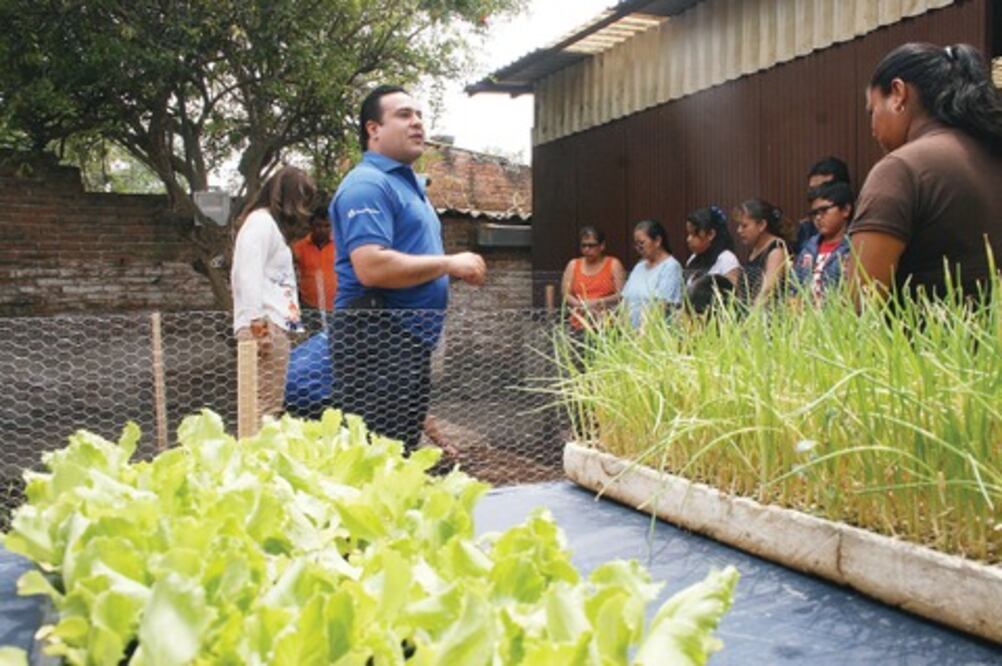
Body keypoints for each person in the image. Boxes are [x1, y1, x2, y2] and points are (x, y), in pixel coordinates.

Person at [329, 84, 486, 452]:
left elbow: (407, 262)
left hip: (407, 340)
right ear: (373, 129)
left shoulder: (409, 188)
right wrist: (449, 264)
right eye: (403, 115)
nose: (417, 123)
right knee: (378, 455)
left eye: (419, 115)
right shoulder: (367, 184)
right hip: (376, 337)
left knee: (397, 449)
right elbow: (371, 266)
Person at [849, 43, 1002, 299]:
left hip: (921, 339)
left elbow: (859, 306)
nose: (872, 128)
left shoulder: (900, 170)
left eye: (872, 110)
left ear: (898, 93)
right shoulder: (992, 153)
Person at [231, 166, 317, 420]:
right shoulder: (260, 222)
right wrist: (259, 328)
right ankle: (256, 457)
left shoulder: (267, 225)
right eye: (301, 200)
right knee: (262, 409)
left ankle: (257, 456)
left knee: (266, 405)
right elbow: (247, 274)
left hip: (273, 325)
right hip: (265, 324)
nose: (303, 208)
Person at [793, 181, 854, 303]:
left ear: (846, 210)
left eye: (824, 210)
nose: (818, 217)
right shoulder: (807, 248)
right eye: (814, 213)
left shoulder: (855, 247)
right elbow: (793, 287)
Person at [560, 226, 626, 330]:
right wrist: (581, 305)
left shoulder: (613, 264)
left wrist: (598, 302)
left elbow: (621, 294)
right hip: (578, 323)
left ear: (602, 246)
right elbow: (565, 294)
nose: (587, 249)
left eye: (591, 245)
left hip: (606, 323)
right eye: (584, 246)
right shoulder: (573, 265)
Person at [621, 219, 683, 328]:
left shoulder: (671, 267)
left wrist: (643, 334)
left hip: (653, 334)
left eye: (641, 243)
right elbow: (625, 300)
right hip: (629, 334)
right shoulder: (639, 266)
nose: (638, 248)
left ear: (657, 241)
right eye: (636, 244)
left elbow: (661, 306)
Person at [735, 198, 790, 307]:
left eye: (744, 225)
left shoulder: (776, 250)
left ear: (762, 225)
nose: (739, 230)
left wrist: (752, 318)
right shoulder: (755, 249)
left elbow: (768, 291)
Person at [792, 157, 851, 255]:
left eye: (824, 187)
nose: (817, 193)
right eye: (812, 190)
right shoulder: (807, 229)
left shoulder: (859, 234)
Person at [292, 205, 337, 311]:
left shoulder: (340, 246)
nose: (322, 230)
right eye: (318, 225)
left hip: (337, 307)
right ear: (311, 226)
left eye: (327, 226)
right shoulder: (299, 247)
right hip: (309, 307)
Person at [684, 205, 740, 287]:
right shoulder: (692, 259)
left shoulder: (727, 260)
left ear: (711, 234)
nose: (688, 239)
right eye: (688, 234)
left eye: (694, 234)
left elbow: (733, 296)